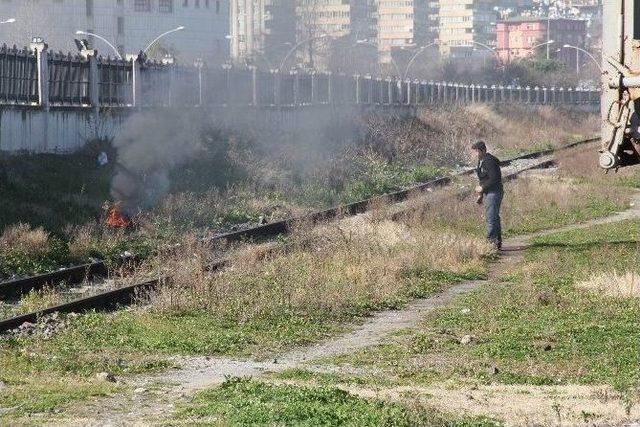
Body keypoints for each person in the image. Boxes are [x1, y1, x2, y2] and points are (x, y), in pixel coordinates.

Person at [471, 140, 503, 250]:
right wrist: (480, 194)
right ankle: (497, 242)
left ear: (483, 150)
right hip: (490, 192)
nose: (475, 154)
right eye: (474, 152)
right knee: (494, 217)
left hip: (494, 192)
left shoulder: (489, 161)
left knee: (491, 218)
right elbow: (484, 178)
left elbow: (495, 178)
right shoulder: (481, 161)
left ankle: (491, 243)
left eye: (476, 151)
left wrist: (482, 188)